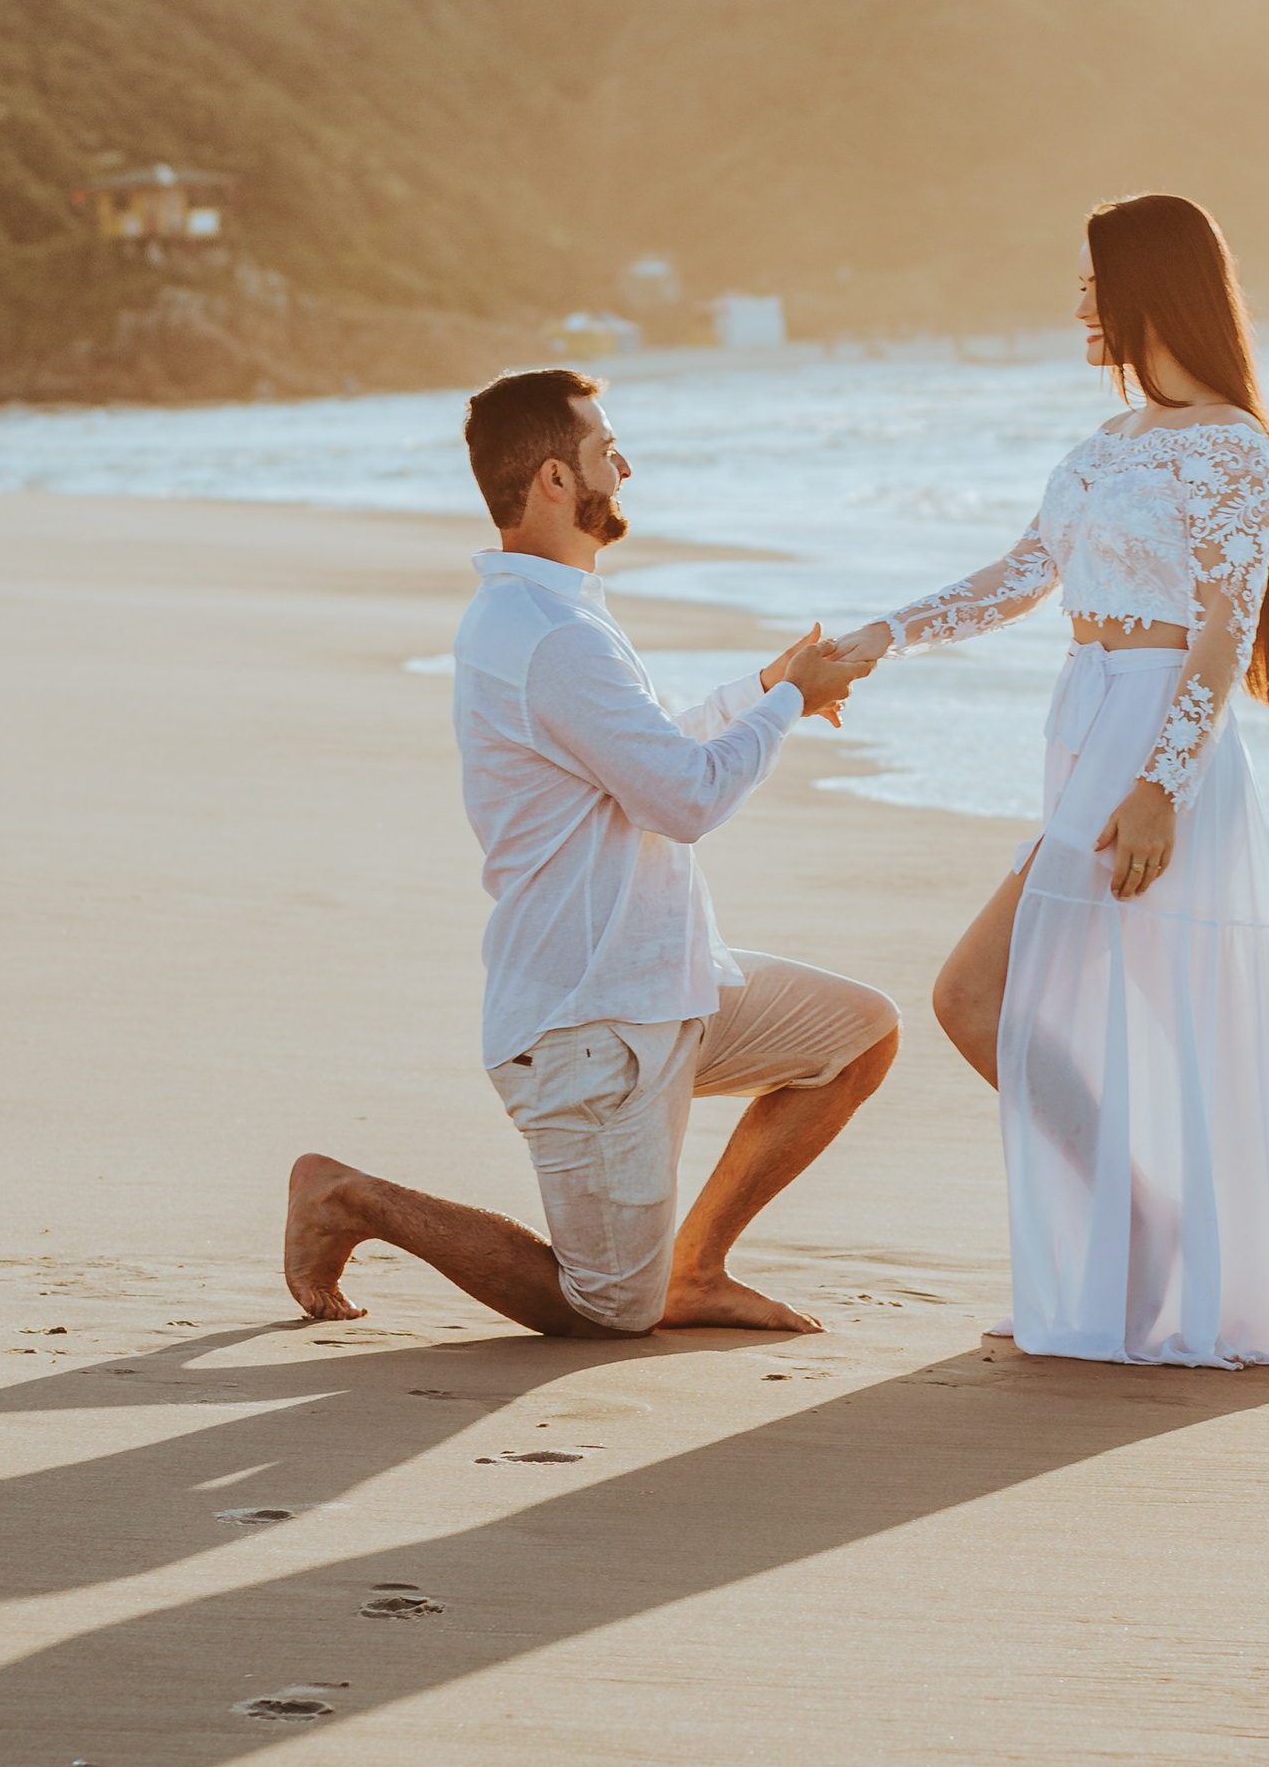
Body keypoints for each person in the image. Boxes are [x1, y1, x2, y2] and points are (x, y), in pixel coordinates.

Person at [834, 195, 1269, 1372]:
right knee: (1038, 1005)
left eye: (1089, 286)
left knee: (988, 995)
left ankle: (1167, 1241)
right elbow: (1021, 573)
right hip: (1082, 720)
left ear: (1148, 291)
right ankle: (1146, 1233)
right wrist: (878, 638)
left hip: (1151, 736)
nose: (1076, 307)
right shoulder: (1109, 444)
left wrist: (1162, 783)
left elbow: (1220, 630)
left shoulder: (1230, 444)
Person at [285, 364, 895, 1339]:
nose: (626, 463)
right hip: (588, 1024)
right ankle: (348, 1199)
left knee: (854, 1035)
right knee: (606, 1307)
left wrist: (766, 687)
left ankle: (693, 1269)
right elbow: (685, 800)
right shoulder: (549, 634)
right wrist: (788, 703)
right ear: (557, 482)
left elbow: (652, 759)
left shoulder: (556, 618)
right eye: (607, 447)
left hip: (662, 984)